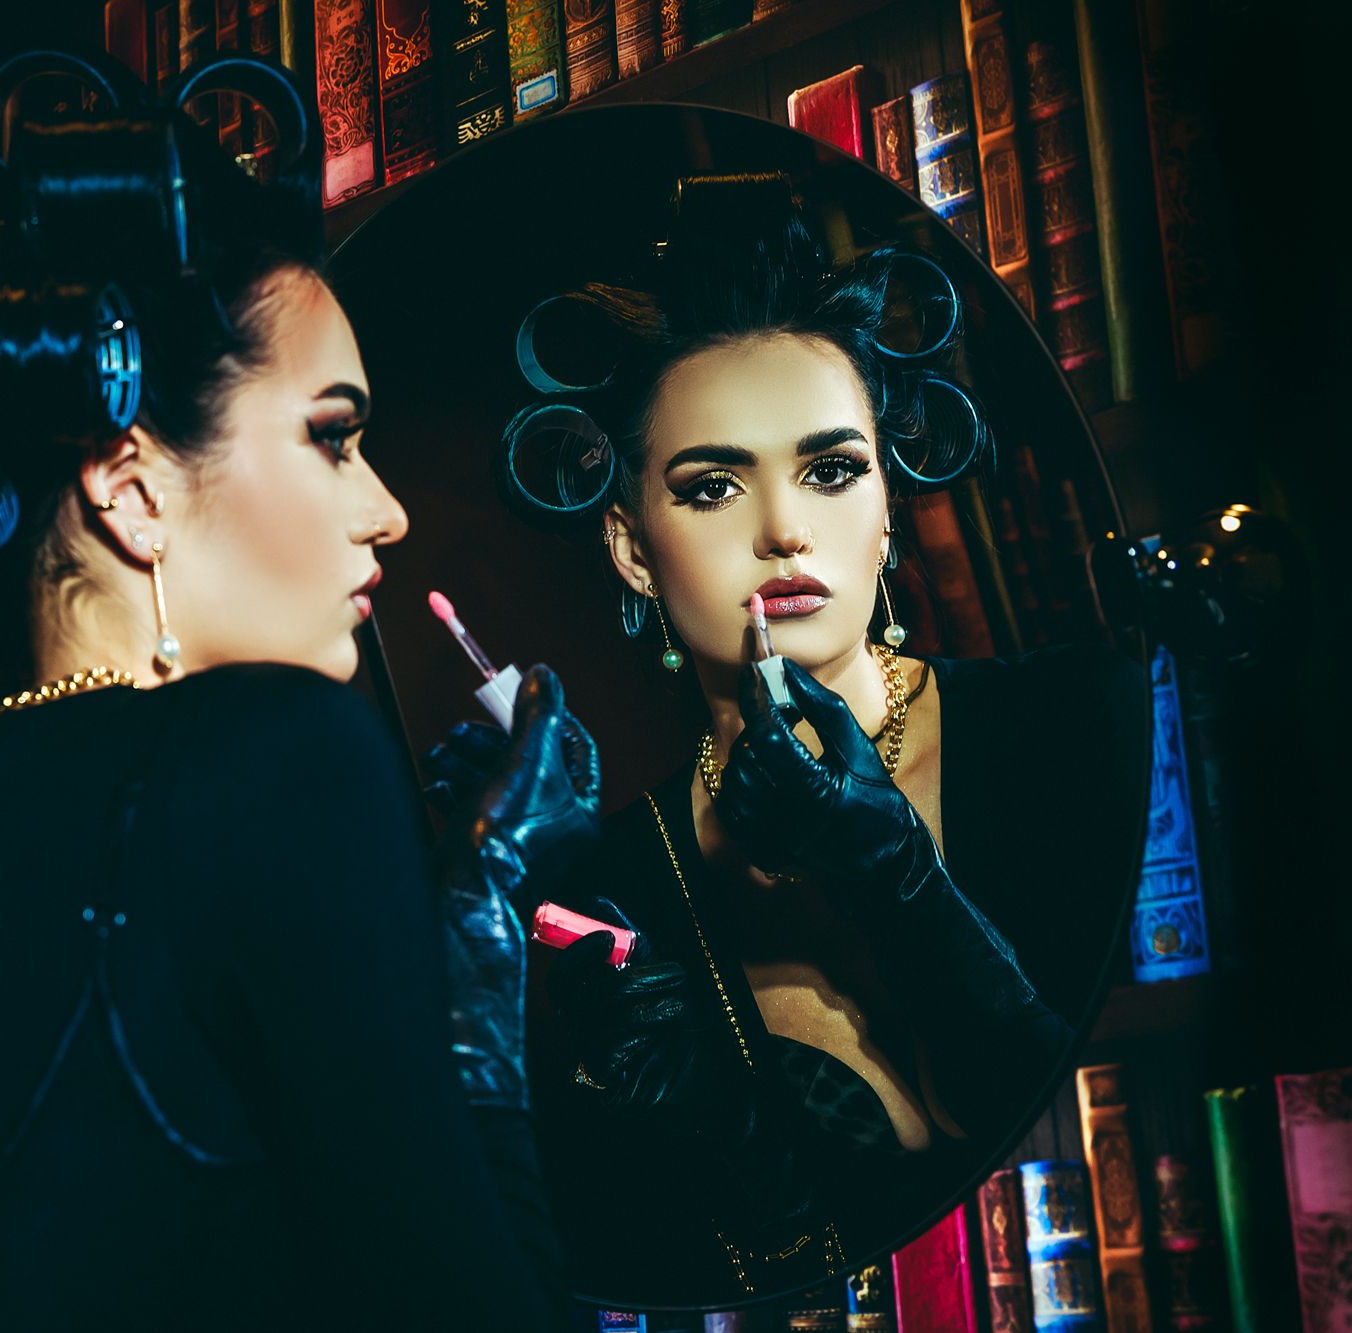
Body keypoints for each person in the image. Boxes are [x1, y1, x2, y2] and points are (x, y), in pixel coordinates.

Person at [0, 57, 591, 1330]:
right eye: (331, 436)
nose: (386, 510)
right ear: (131, 491)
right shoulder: (280, 758)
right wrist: (478, 933)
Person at [451, 172, 1146, 1304]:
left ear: (887, 512)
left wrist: (898, 882)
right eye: (712, 487)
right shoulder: (620, 888)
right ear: (631, 548)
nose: (783, 529)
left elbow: (1124, 1099)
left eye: (830, 471)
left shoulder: (1084, 722)